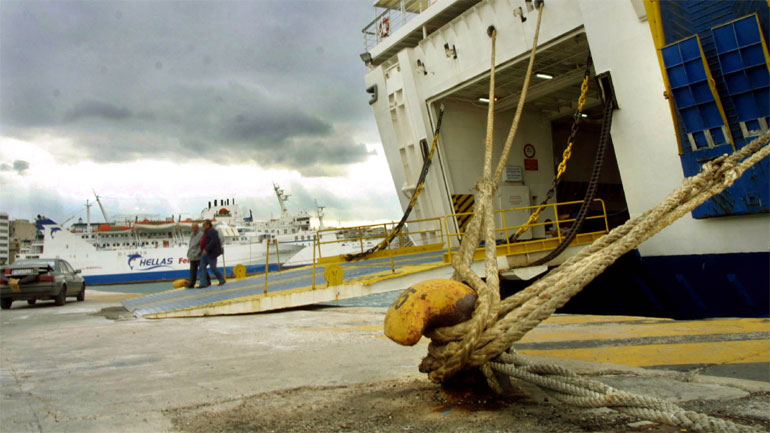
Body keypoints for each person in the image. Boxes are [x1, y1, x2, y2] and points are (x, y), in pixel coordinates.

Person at [198, 219, 225, 287]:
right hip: (204, 253)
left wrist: (206, 249)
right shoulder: (206, 232)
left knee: (213, 268)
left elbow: (213, 241)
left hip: (210, 253)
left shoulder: (213, 232)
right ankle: (203, 283)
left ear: (208, 225)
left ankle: (221, 279)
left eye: (204, 224)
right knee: (202, 267)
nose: (203, 226)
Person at [186, 223, 203, 288]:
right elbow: (190, 245)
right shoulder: (192, 234)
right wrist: (189, 253)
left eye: (194, 228)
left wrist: (197, 253)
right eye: (192, 228)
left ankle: (206, 281)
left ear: (197, 228)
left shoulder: (201, 234)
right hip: (191, 256)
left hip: (198, 256)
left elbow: (201, 245)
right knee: (192, 271)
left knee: (202, 269)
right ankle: (191, 284)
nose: (193, 229)